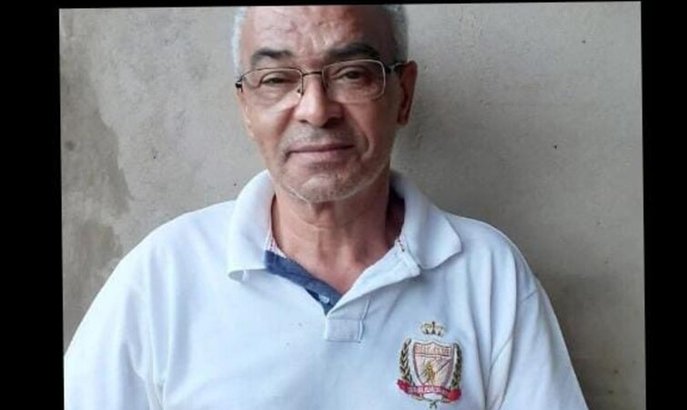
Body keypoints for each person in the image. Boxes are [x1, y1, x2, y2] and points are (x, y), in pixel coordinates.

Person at [64, 5, 588, 409]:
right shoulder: (164, 273)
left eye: (352, 73)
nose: (315, 110)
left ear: (403, 95)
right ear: (246, 107)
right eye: (276, 79)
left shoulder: (488, 273)